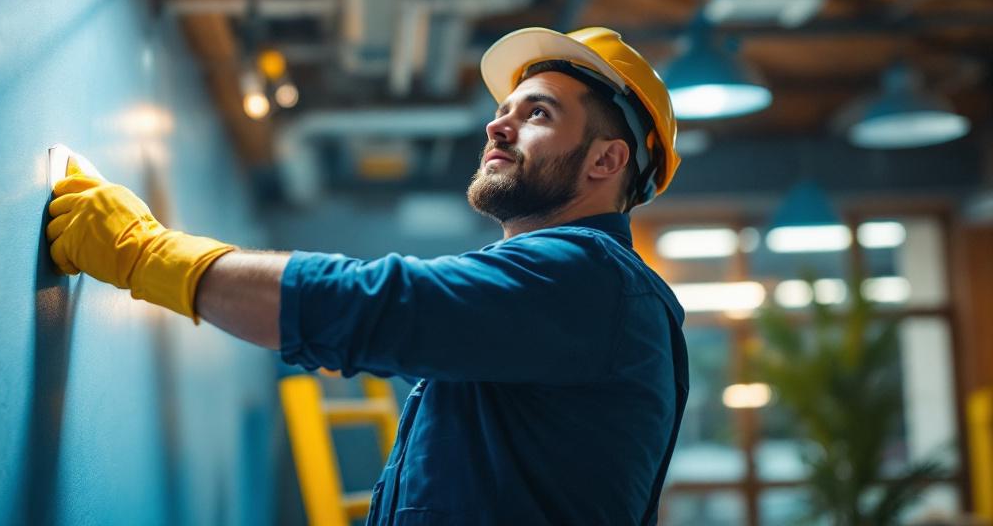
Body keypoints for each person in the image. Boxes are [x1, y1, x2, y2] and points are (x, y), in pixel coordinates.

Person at [47, 26, 689, 525]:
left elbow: (377, 304)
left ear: (606, 159)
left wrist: (144, 254)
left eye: (538, 114)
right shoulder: (567, 293)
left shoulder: (585, 278)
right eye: (504, 108)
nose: (497, 124)